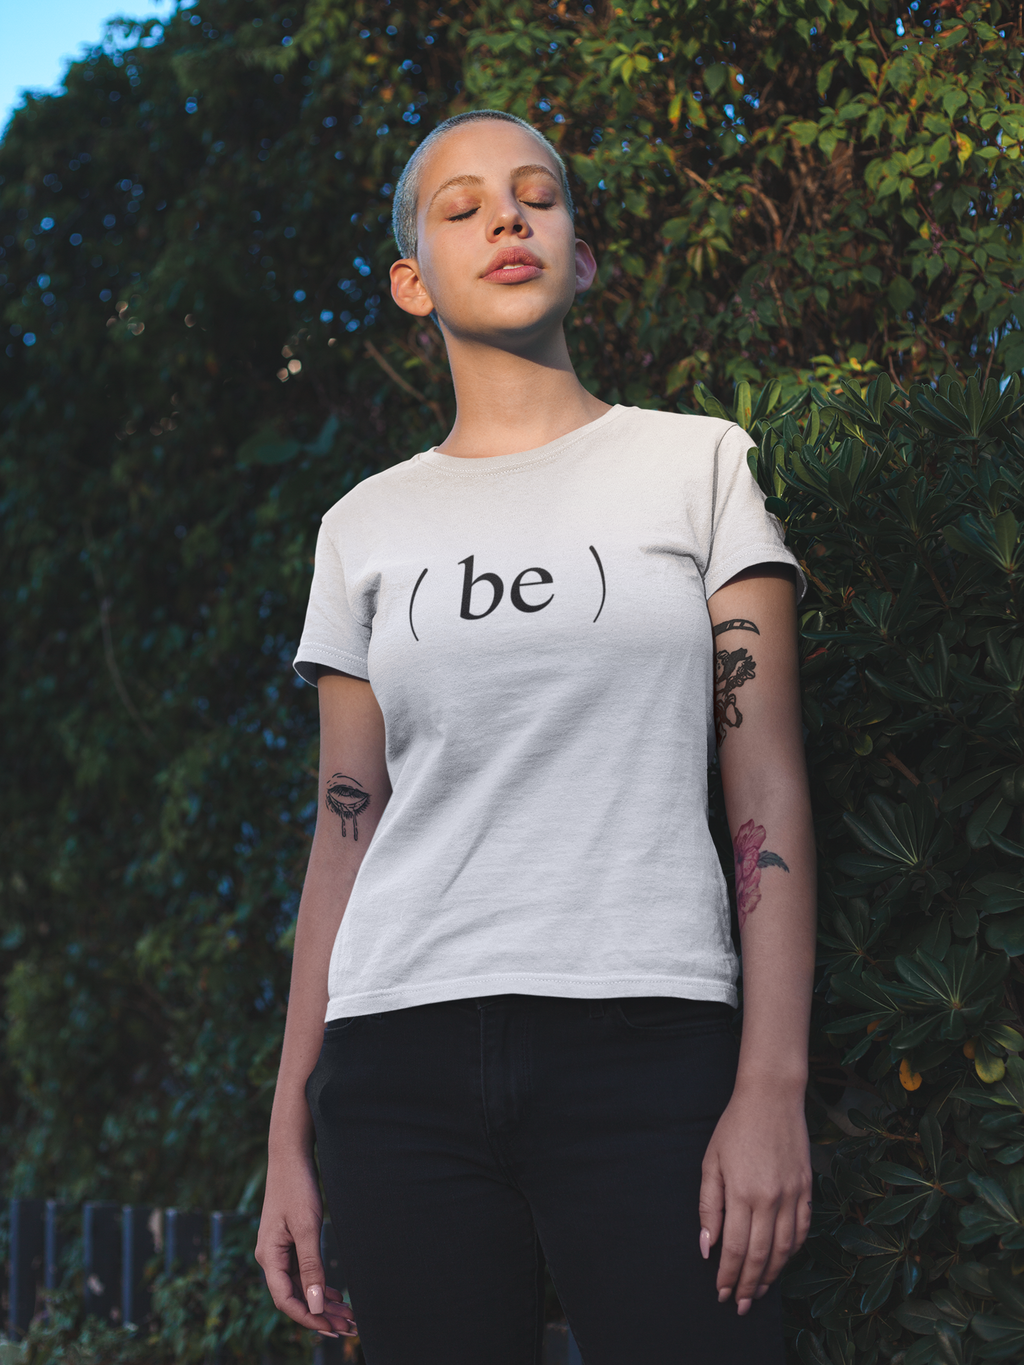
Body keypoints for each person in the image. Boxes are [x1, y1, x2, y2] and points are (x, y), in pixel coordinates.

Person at [255, 109, 816, 1365]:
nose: (506, 219)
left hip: (648, 1043)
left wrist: (768, 1087)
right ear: (414, 280)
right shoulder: (363, 525)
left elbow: (764, 782)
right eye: (460, 208)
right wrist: (288, 1136)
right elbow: (347, 827)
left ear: (581, 252)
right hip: (396, 1061)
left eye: (535, 197)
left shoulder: (697, 467)